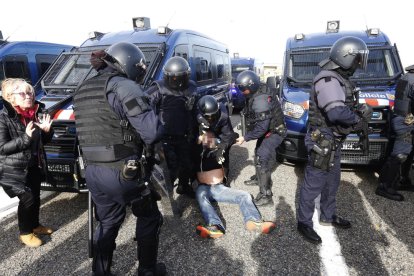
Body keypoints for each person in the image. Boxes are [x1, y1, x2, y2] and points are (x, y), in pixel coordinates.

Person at [73, 43, 165, 276]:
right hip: (124, 171)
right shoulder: (125, 86)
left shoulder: (83, 88)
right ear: (129, 64)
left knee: (108, 222)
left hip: (93, 171)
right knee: (149, 216)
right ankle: (147, 271)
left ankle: (101, 272)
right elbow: (151, 133)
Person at [297, 36, 372, 244]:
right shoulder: (328, 79)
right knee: (313, 184)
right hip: (323, 140)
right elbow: (336, 113)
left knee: (332, 182)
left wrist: (357, 114)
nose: (359, 64)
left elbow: (345, 106)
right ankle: (303, 222)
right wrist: (358, 119)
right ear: (346, 56)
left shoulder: (340, 78)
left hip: (334, 140)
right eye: (357, 59)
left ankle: (327, 216)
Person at [0, 78, 54, 248]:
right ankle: (25, 233)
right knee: (28, 199)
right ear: (10, 97)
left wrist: (46, 132)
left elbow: (40, 141)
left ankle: (35, 226)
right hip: (11, 169)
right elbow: (2, 147)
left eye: (30, 92)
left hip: (33, 164)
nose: (28, 96)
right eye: (22, 93)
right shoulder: (3, 117)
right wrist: (25, 138)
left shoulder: (34, 112)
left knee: (36, 196)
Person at [194, 130, 276, 238]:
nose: (208, 141)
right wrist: (197, 141)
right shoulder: (196, 152)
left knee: (245, 195)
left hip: (219, 188)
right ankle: (215, 226)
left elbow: (233, 135)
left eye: (211, 139)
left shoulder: (220, 148)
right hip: (204, 188)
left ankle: (254, 221)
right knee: (200, 195)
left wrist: (223, 145)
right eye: (205, 139)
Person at [145, 56, 197, 196]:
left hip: (184, 134)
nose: (176, 81)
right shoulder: (158, 88)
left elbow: (195, 110)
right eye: (173, 78)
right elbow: (143, 105)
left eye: (179, 77)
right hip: (164, 136)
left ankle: (183, 186)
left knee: (187, 164)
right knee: (170, 167)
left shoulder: (191, 87)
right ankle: (164, 194)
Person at [235, 70, 286, 206]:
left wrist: (245, 137)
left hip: (275, 132)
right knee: (258, 153)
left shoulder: (261, 99)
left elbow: (262, 128)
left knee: (262, 158)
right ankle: (259, 179)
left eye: (244, 89)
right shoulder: (258, 90)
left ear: (251, 86)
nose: (243, 92)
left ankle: (266, 196)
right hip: (269, 130)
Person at [377, 65, 414, 201]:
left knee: (407, 153)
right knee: (399, 155)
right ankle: (384, 187)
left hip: (403, 119)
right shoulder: (412, 79)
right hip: (406, 122)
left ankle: (402, 181)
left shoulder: (407, 77)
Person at [196, 95, 239, 184]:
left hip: (220, 132)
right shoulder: (196, 115)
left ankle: (224, 181)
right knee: (202, 153)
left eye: (213, 115)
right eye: (208, 116)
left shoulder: (223, 116)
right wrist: (200, 136)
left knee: (223, 155)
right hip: (205, 132)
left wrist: (222, 148)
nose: (211, 118)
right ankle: (202, 180)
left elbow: (227, 135)